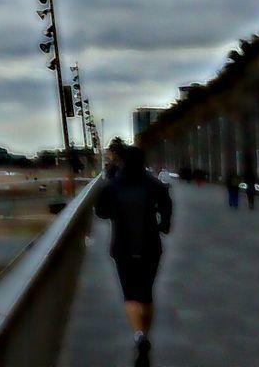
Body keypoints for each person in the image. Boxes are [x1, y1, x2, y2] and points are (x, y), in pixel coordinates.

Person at [94, 146, 172, 367]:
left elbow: (101, 211)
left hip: (123, 246)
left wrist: (115, 211)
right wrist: (163, 224)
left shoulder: (113, 186)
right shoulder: (154, 184)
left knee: (130, 294)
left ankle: (139, 335)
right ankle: (144, 334)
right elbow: (166, 203)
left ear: (123, 162)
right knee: (146, 293)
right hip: (150, 245)